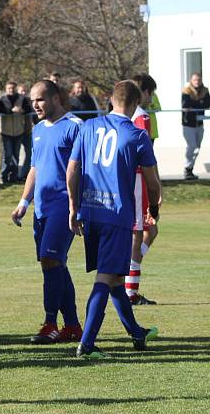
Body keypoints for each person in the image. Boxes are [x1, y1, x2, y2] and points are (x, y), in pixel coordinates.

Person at [66, 80, 161, 358]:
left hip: (91, 211)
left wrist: (74, 207)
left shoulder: (87, 127)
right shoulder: (136, 135)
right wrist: (153, 209)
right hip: (116, 215)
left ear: (110, 99)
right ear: (134, 105)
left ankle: (136, 332)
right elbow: (153, 182)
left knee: (116, 277)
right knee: (106, 277)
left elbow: (72, 170)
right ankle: (87, 343)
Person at [10, 80, 83, 344]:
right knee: (54, 264)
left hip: (64, 208)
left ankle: (50, 323)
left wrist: (77, 207)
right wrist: (24, 201)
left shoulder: (75, 127)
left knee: (50, 260)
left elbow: (81, 170)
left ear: (55, 98)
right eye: (32, 101)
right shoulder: (38, 129)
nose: (35, 105)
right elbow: (35, 168)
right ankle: (73, 325)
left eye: (40, 99)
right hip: (41, 207)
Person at [125, 73, 159, 306]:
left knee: (148, 232)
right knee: (138, 234)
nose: (152, 97)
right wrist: (155, 186)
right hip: (138, 181)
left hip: (125, 180)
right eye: (151, 93)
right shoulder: (142, 117)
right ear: (144, 92)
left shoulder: (118, 116)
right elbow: (145, 156)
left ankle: (127, 278)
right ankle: (129, 290)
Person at [0, 81, 33, 184]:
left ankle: (13, 177)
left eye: (13, 88)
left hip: (18, 131)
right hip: (6, 131)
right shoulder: (2, 100)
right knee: (7, 156)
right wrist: (11, 111)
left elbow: (28, 109)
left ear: (16, 89)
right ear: (6, 89)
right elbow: (0, 110)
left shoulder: (22, 99)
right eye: (9, 88)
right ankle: (4, 177)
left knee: (16, 155)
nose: (11, 90)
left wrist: (22, 110)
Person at [181, 72, 210, 180]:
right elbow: (186, 105)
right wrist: (199, 103)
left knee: (197, 148)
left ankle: (190, 170)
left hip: (200, 124)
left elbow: (207, 104)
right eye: (195, 80)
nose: (197, 82)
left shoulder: (205, 90)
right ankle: (187, 168)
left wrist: (196, 104)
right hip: (188, 124)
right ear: (191, 81)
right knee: (191, 146)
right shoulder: (186, 91)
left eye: (198, 80)